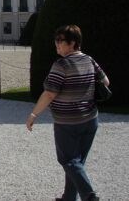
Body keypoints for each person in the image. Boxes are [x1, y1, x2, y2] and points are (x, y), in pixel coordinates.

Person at [25, 25, 109, 201]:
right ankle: (69, 198)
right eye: (56, 40)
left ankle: (90, 196)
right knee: (76, 163)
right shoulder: (89, 60)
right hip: (91, 119)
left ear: (72, 43)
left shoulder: (61, 65)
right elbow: (106, 82)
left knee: (69, 161)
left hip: (68, 122)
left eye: (60, 41)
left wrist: (33, 115)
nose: (56, 44)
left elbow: (49, 93)